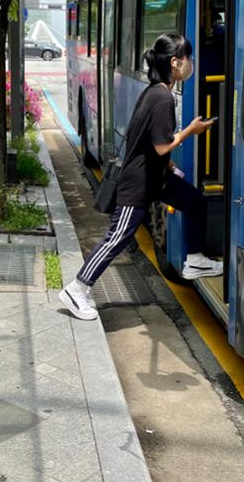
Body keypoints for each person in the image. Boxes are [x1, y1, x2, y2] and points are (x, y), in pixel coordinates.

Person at [59, 33, 222, 321]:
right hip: (139, 182)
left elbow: (152, 141)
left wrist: (168, 164)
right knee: (118, 237)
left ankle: (195, 261)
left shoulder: (156, 91)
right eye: (188, 59)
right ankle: (77, 287)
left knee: (195, 201)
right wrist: (191, 131)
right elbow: (161, 144)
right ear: (175, 63)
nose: (191, 64)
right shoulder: (161, 97)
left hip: (156, 176)